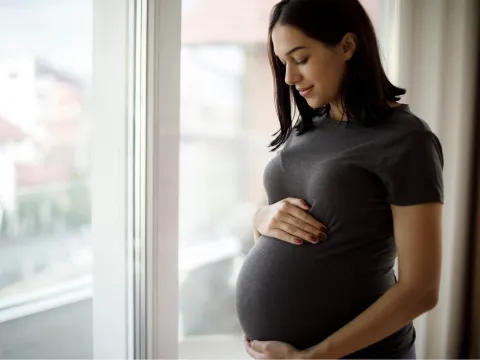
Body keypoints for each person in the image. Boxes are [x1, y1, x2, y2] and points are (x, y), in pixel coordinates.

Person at [235, 0, 444, 358]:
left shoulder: (407, 140)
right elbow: (281, 225)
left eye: (300, 59)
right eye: (283, 62)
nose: (289, 78)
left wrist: (313, 356)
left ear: (347, 46)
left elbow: (421, 289)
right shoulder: (305, 131)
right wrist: (261, 218)